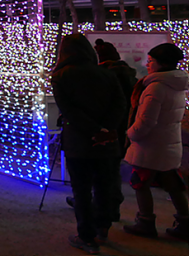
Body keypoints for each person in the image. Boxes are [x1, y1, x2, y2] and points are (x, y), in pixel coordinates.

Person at [51, 34, 126, 255]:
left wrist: (93, 130)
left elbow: (69, 110)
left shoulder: (61, 75)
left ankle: (86, 236)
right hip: (107, 141)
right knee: (105, 186)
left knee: (81, 190)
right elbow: (120, 104)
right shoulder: (106, 72)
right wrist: (105, 129)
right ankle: (103, 227)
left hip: (79, 141)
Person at [123, 43, 189, 241]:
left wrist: (131, 133)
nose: (147, 64)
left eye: (151, 61)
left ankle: (145, 222)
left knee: (140, 183)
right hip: (169, 143)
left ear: (161, 63)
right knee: (173, 183)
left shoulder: (156, 87)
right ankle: (185, 223)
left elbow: (146, 121)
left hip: (150, 146)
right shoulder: (177, 85)